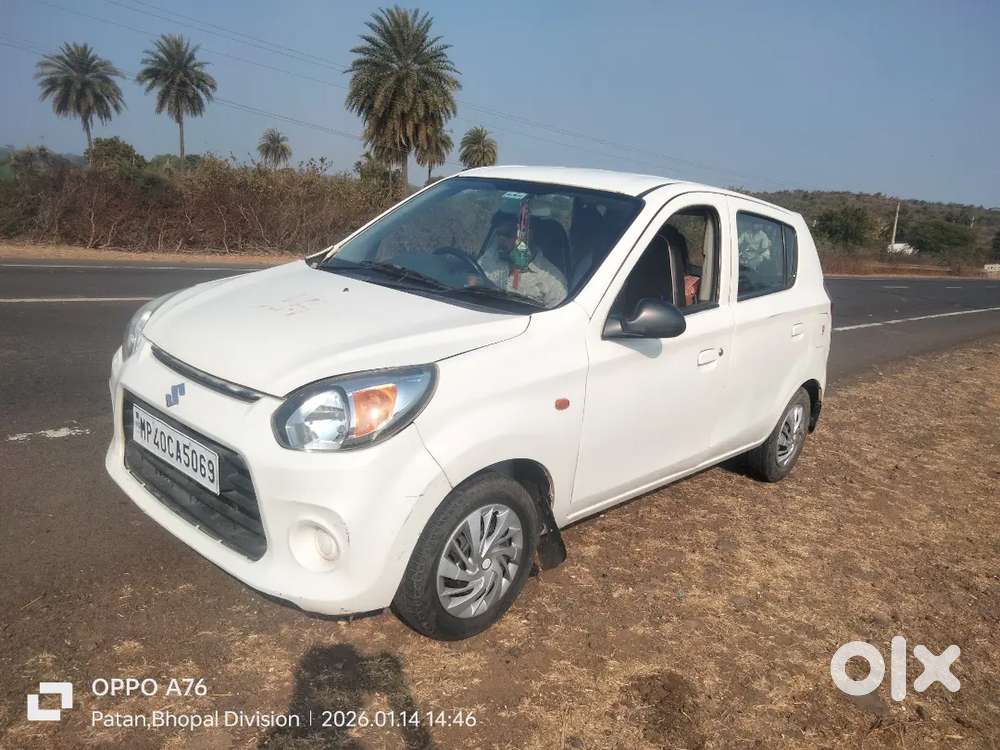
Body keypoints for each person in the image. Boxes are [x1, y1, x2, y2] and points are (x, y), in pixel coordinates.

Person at [474, 210, 568, 307]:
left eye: (508, 235)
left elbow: (559, 313)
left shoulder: (552, 281)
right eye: (498, 234)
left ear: (528, 235)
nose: (500, 240)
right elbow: (472, 282)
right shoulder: (489, 257)